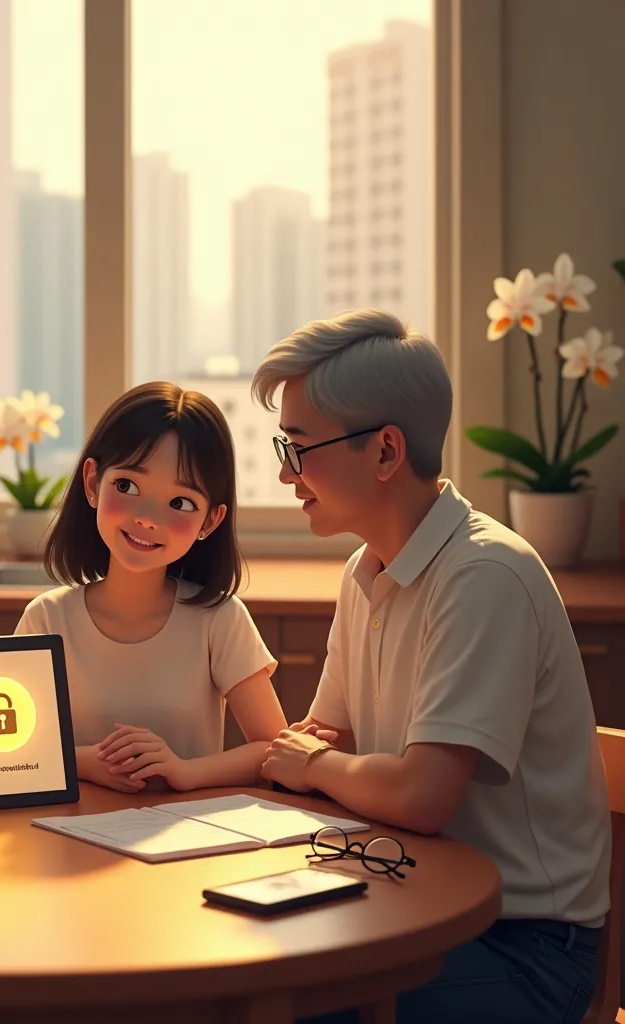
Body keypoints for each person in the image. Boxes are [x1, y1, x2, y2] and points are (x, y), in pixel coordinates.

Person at [251, 310, 610, 1024]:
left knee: (270, 1003)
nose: (286, 473)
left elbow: (419, 796)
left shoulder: (484, 576)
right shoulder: (367, 568)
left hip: (524, 947)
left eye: (299, 449)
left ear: (385, 452)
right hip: (411, 898)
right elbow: (321, 739)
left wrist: (314, 764)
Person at [15, 381, 286, 792]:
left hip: (190, 841)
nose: (146, 518)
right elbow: (6, 755)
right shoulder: (46, 618)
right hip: (66, 840)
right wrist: (86, 762)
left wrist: (185, 771)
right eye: (127, 486)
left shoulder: (219, 619)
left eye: (180, 503)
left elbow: (274, 749)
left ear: (210, 521)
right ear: (92, 483)